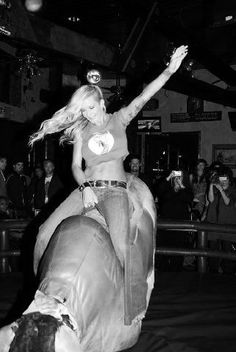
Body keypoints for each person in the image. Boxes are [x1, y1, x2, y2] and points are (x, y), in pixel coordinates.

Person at [29, 45, 188, 325]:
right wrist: (85, 187)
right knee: (43, 233)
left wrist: (170, 70)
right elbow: (76, 167)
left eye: (90, 108)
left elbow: (143, 96)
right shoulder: (80, 130)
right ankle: (42, 296)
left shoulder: (118, 119)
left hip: (115, 190)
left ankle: (134, 311)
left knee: (124, 250)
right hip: (87, 188)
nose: (88, 114)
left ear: (102, 103)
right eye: (83, 110)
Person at [157, 169, 193, 271]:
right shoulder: (167, 188)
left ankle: (176, 272)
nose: (177, 178)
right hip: (165, 225)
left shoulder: (185, 189)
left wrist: (181, 186)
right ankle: (162, 271)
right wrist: (169, 177)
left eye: (180, 176)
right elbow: (159, 191)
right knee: (163, 250)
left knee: (178, 252)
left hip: (180, 226)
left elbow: (189, 198)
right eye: (176, 176)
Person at [206, 166, 236, 274]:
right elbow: (211, 200)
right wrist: (211, 185)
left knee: (227, 253)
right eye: (221, 179)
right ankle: (213, 273)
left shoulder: (233, 190)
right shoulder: (215, 189)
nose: (223, 181)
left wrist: (221, 190)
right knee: (213, 252)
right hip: (214, 225)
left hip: (227, 226)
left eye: (225, 179)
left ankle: (228, 274)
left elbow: (228, 202)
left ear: (229, 179)